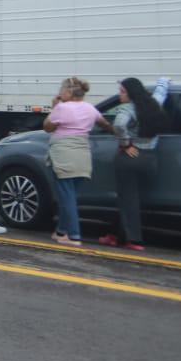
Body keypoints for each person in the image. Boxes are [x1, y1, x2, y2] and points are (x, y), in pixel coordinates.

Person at [98, 77, 166, 251]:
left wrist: (126, 144)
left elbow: (119, 125)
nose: (120, 95)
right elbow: (161, 93)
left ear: (131, 93)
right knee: (130, 198)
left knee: (128, 199)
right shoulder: (154, 105)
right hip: (150, 158)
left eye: (122, 92)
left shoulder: (127, 109)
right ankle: (114, 235)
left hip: (130, 157)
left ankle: (134, 240)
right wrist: (164, 81)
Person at [42, 77, 112, 246]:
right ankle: (61, 231)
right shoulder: (90, 108)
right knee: (70, 195)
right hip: (82, 154)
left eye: (61, 90)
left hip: (64, 154)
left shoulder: (62, 108)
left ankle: (74, 235)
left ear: (68, 92)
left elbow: (47, 127)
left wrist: (54, 108)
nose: (59, 93)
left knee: (66, 197)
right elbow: (105, 124)